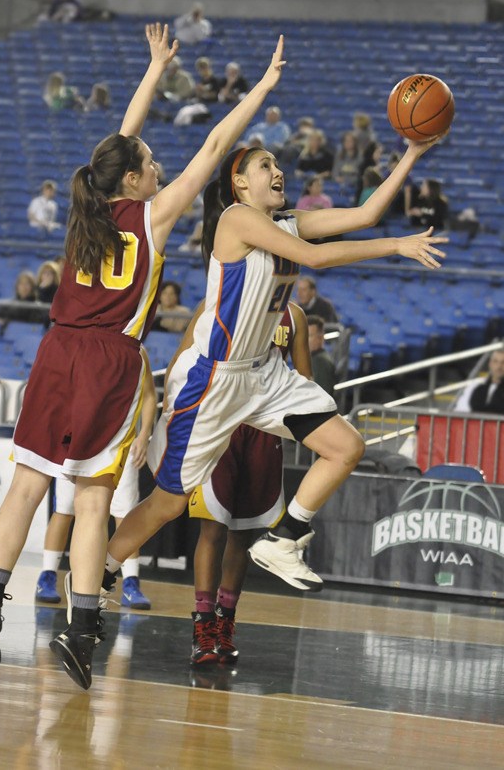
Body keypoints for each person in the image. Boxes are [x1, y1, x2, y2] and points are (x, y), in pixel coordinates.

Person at [0, 23, 289, 691]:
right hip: (110, 361)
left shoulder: (85, 208)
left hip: (56, 351)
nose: (160, 165)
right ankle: (81, 629)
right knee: (91, 501)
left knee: (26, 486)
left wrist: (151, 69)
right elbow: (215, 145)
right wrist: (259, 88)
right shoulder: (154, 215)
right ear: (136, 179)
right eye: (150, 161)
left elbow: (115, 142)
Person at [103, 133, 447, 605]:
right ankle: (97, 574)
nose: (278, 171)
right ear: (240, 183)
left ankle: (284, 539)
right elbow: (317, 258)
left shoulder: (287, 222)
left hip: (263, 375)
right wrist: (396, 246)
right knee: (168, 503)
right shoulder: (236, 219)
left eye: (277, 164)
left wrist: (412, 153)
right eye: (266, 165)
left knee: (347, 447)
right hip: (214, 378)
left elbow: (365, 215)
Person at [184, 300, 311, 665]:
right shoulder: (220, 298)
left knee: (242, 532)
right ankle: (203, 627)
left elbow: (304, 378)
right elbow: (186, 357)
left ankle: (224, 624)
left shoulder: (294, 315)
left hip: (264, 429)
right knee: (213, 529)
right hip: (221, 422)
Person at [35, 346, 157, 610]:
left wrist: (144, 434)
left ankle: (131, 581)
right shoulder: (81, 345)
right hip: (78, 441)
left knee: (124, 513)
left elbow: (148, 395)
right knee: (64, 511)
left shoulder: (137, 348)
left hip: (118, 443)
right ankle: (47, 576)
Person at [454, 349, 504, 415]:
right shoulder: (474, 386)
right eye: (495, 361)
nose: (499, 366)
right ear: (490, 363)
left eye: (503, 362)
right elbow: (460, 411)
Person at [307, 314, 336, 396]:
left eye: (309, 335)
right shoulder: (312, 358)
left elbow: (320, 397)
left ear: (320, 338)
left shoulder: (321, 361)